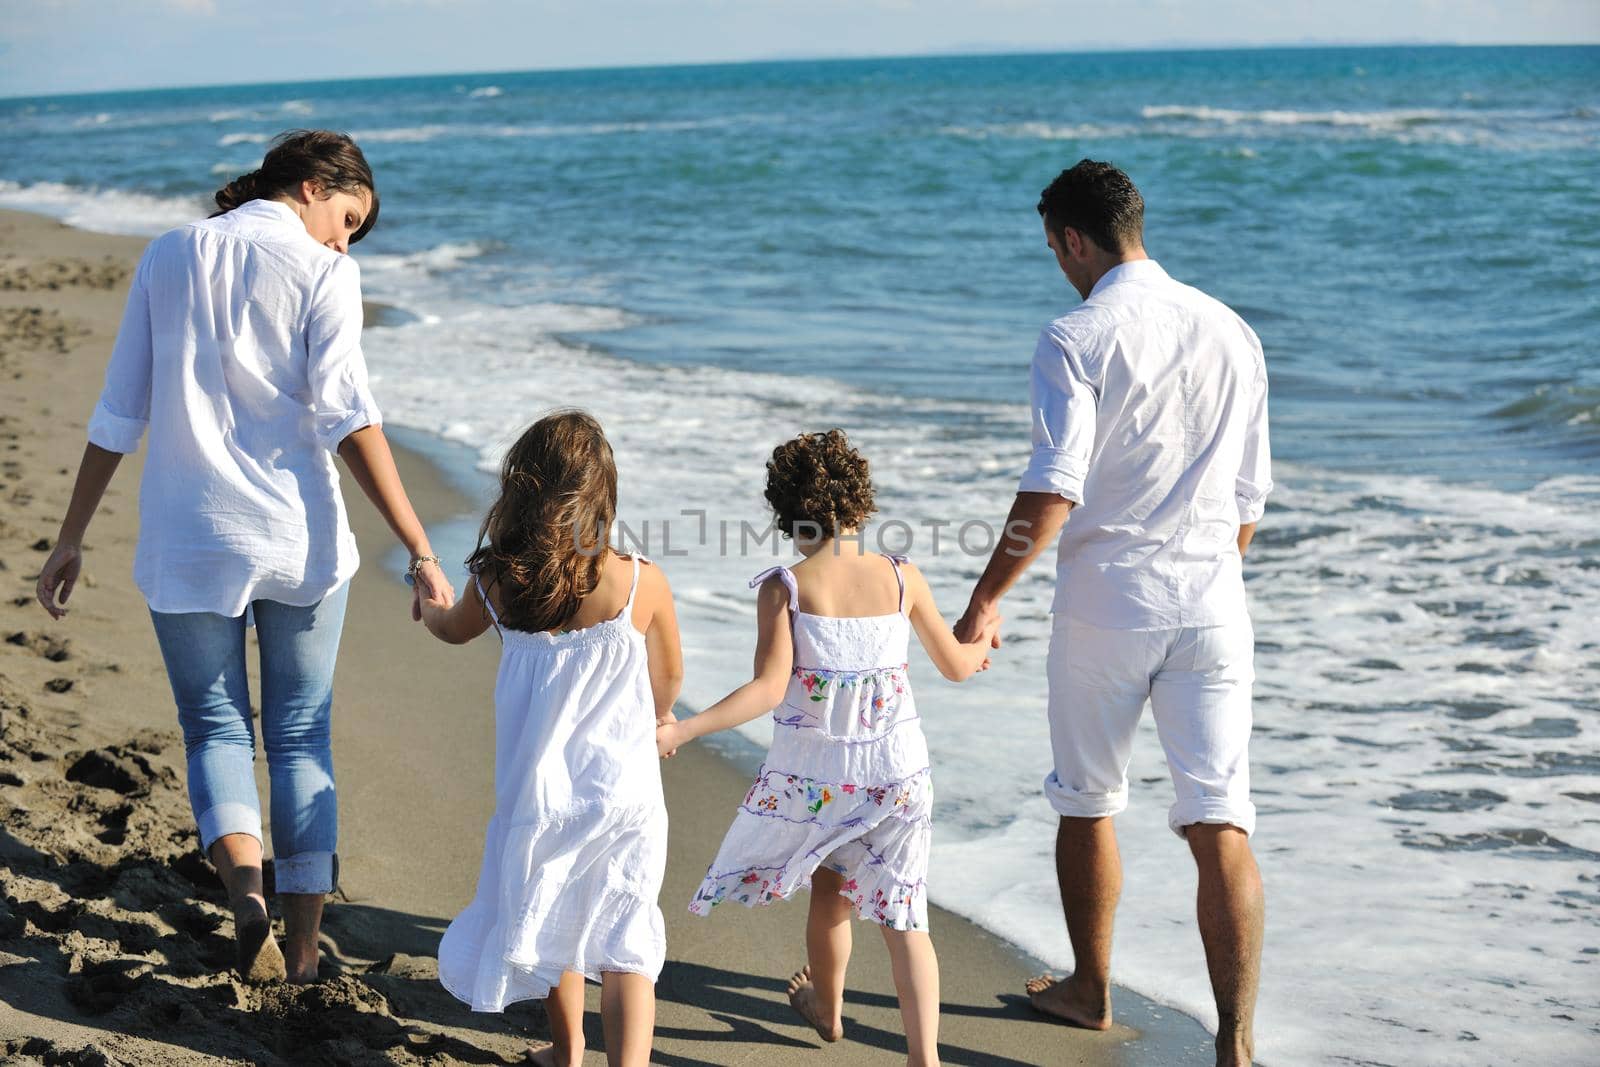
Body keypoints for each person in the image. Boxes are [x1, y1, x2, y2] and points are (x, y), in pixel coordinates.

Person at [35, 129, 454, 985]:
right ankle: (301, 951)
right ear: (309, 186)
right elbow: (348, 417)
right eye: (347, 219)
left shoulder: (168, 253)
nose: (345, 242)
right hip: (297, 536)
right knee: (301, 736)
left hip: (189, 536)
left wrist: (72, 532)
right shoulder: (324, 273)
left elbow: (121, 409)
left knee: (215, 728)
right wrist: (418, 544)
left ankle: (248, 904)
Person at [953, 160, 1272, 1067]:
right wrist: (1201, 576)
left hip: (1107, 605)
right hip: (1214, 603)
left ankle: (1091, 989)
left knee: (1088, 801)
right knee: (1220, 820)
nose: (1058, 262)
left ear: (1074, 239)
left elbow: (1053, 488)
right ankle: (1238, 1046)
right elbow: (1250, 497)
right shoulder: (1232, 329)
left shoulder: (1076, 335)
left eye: (1056, 247)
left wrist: (984, 599)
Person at [656, 429, 999, 1067]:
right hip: (897, 776)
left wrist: (682, 729)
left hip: (820, 780)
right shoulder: (902, 577)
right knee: (907, 921)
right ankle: (924, 1059)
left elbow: (766, 690)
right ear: (859, 499)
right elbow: (954, 665)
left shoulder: (786, 586)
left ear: (784, 509)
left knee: (829, 893)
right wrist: (983, 643)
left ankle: (828, 1007)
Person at [419, 410, 679, 1067]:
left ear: (523, 490)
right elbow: (670, 678)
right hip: (625, 794)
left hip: (541, 793)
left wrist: (424, 603)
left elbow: (450, 629)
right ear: (602, 494)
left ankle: (568, 1051)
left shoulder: (501, 580)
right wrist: (659, 718)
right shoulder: (640, 582)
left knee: (553, 913)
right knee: (625, 935)